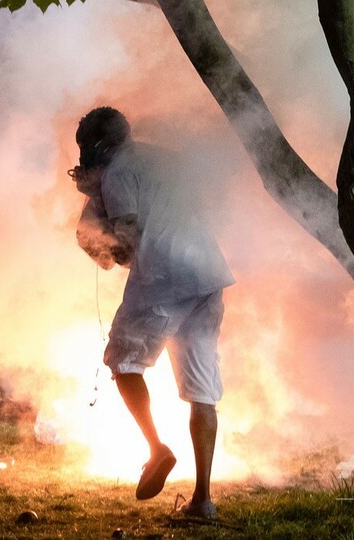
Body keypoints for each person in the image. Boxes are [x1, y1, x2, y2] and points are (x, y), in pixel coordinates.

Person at [70, 107, 235, 519]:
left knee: (122, 360)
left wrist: (95, 235)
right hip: (208, 274)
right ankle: (203, 500)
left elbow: (126, 244)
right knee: (202, 389)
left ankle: (157, 449)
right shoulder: (166, 159)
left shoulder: (117, 173)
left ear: (98, 145)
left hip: (164, 276)